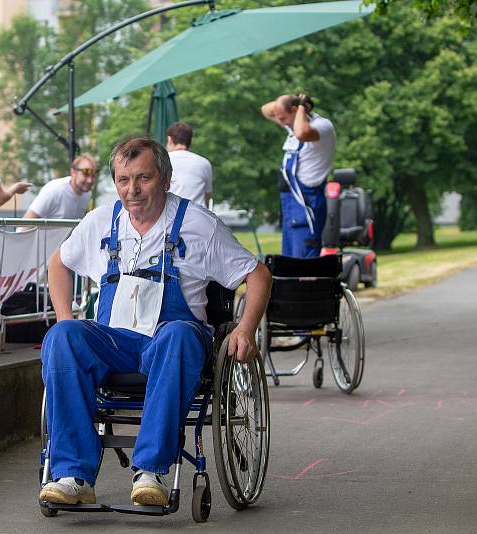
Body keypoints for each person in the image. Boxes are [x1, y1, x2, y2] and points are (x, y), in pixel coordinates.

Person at [38, 136, 271, 507]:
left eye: (143, 178)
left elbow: (257, 274)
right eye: (123, 180)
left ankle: (151, 471)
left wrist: (246, 328)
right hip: (115, 344)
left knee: (178, 334)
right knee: (62, 336)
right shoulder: (100, 221)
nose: (133, 190)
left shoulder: (200, 224)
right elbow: (58, 263)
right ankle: (73, 475)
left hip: (173, 341)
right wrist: (65, 317)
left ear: (165, 177)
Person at [261, 92, 336, 257]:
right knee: (289, 261)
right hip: (290, 204)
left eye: (282, 118)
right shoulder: (293, 125)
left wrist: (301, 106)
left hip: (307, 202)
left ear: (295, 111)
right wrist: (291, 100)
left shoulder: (321, 126)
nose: (279, 121)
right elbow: (265, 110)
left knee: (303, 262)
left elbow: (302, 133)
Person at [24, 154, 97, 219]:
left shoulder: (87, 194)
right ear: (73, 172)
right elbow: (26, 224)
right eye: (85, 173)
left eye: (93, 175)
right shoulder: (54, 190)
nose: (90, 180)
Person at [165, 122, 213, 208]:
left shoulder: (161, 161)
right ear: (190, 142)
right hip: (198, 215)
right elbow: (207, 196)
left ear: (169, 140)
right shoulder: (204, 163)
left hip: (170, 215)